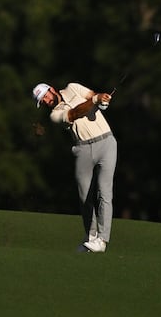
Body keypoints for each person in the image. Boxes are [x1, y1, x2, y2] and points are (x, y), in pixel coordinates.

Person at [33, 81, 116, 252]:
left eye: (46, 95)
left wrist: (102, 100)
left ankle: (102, 240)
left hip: (107, 142)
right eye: (42, 101)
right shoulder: (55, 115)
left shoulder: (72, 88)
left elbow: (91, 94)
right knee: (85, 196)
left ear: (52, 89)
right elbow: (74, 113)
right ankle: (90, 236)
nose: (47, 100)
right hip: (83, 149)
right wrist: (95, 100)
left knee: (104, 192)